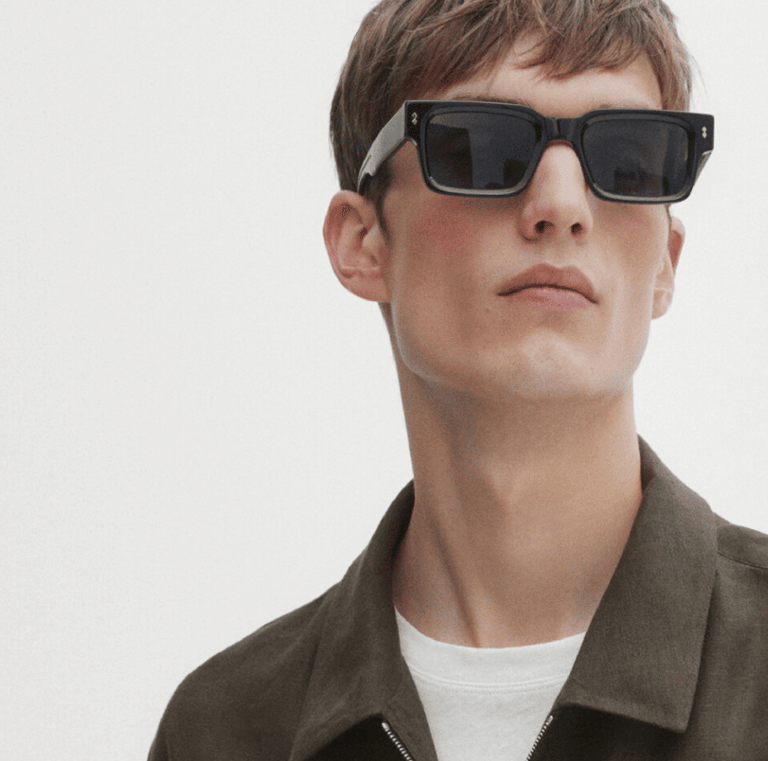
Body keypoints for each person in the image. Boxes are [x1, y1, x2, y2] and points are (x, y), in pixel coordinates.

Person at [148, 0, 768, 758]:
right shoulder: (224, 730)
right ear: (362, 242)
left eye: (629, 159)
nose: (562, 206)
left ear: (666, 263)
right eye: (484, 148)